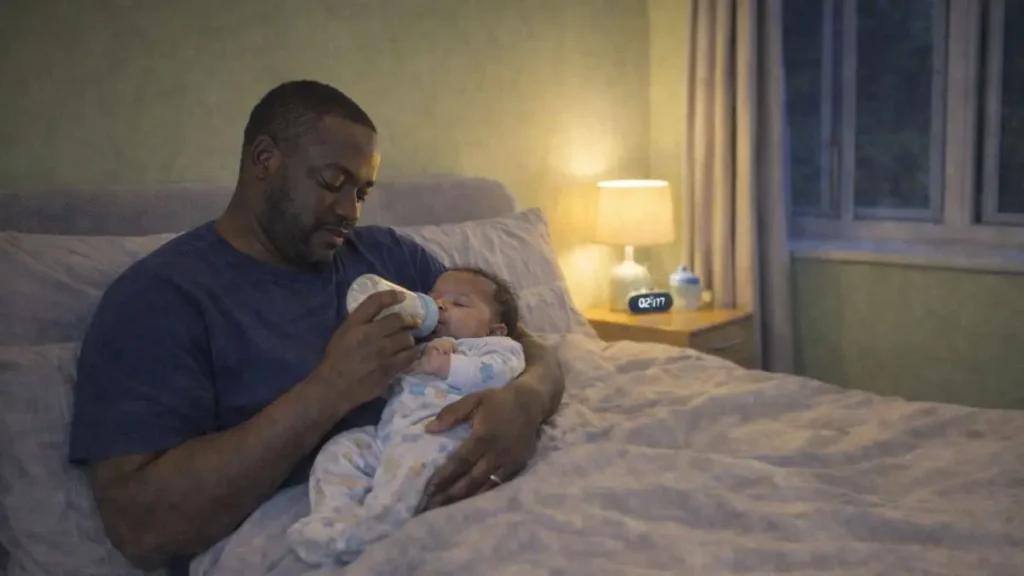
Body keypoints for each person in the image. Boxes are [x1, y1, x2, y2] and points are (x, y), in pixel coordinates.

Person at [67, 80, 564, 574]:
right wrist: (330, 390)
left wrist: (525, 401)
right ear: (266, 160)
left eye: (362, 191)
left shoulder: (387, 255)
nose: (350, 210)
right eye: (332, 182)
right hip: (314, 533)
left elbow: (517, 343)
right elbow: (140, 529)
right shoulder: (161, 299)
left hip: (466, 499)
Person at [287, 267, 526, 564]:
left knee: (407, 468)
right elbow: (388, 386)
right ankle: (333, 515)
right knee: (342, 449)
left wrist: (447, 365)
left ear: (495, 329)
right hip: (387, 434)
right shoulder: (416, 347)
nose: (440, 306)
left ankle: (377, 525)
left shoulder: (495, 347)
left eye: (459, 303)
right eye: (434, 298)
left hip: (440, 431)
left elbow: (498, 374)